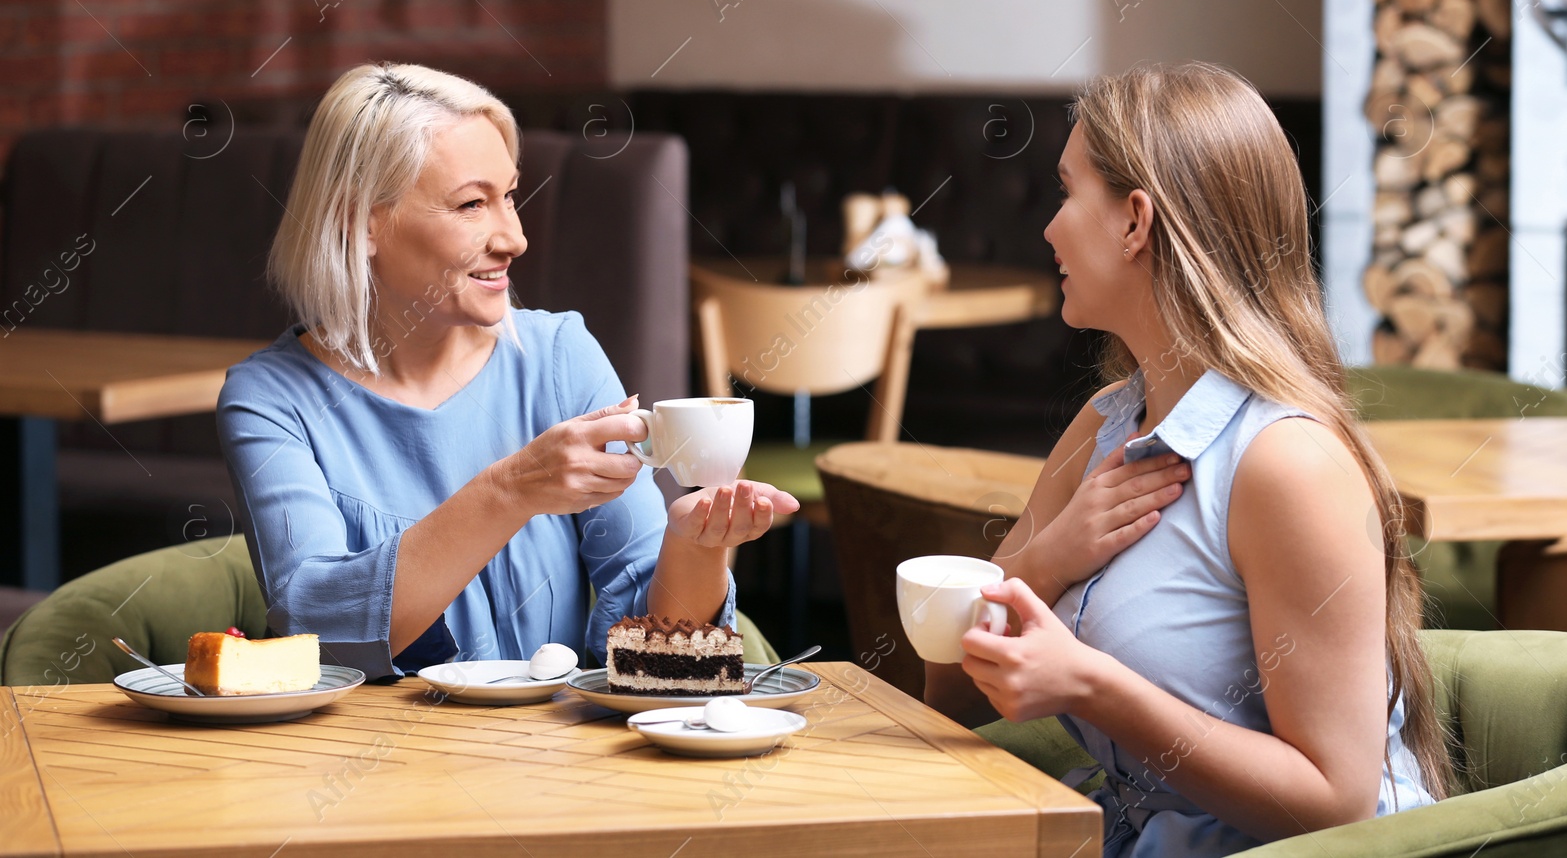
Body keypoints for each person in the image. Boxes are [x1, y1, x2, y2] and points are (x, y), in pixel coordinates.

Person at [924, 63, 1448, 856]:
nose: (1048, 228)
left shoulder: (1286, 463)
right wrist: (1048, 559)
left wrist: (1094, 687)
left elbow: (1337, 802)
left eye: (1067, 193)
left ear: (1136, 222)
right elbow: (953, 698)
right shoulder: (1104, 427)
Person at [217, 63, 797, 678]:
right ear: (358, 222)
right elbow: (320, 636)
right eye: (472, 204)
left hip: (554, 768)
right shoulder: (270, 401)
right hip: (373, 768)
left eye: (510, 196)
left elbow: (654, 656)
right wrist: (511, 490)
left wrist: (694, 546)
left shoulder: (557, 358)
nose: (515, 238)